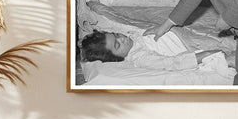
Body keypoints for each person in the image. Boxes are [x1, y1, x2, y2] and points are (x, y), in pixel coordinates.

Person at [80, 30, 222, 71]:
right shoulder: (140, 58)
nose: (122, 39)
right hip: (192, 46)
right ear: (116, 57)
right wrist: (202, 56)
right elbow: (171, 63)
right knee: (228, 46)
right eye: (117, 45)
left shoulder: (132, 39)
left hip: (188, 34)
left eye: (117, 35)